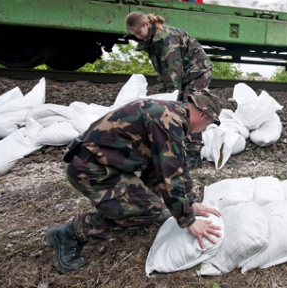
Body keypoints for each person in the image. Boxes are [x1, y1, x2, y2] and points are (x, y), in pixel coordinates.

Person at [45, 90, 224, 274]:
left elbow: (177, 163)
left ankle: (141, 207)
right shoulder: (168, 121)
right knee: (149, 210)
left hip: (108, 164)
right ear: (203, 114)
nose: (204, 129)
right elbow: (170, 174)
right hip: (92, 170)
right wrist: (188, 220)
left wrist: (192, 202)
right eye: (208, 124)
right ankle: (70, 234)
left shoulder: (173, 113)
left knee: (155, 177)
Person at [125, 12, 213, 169]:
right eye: (134, 35)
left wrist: (171, 96)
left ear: (147, 24)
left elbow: (173, 71)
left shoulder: (167, 38)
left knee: (189, 108)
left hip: (198, 72)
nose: (138, 37)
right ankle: (177, 147)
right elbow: (165, 72)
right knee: (172, 106)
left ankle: (194, 153)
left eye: (138, 32)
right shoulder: (152, 39)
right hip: (183, 73)